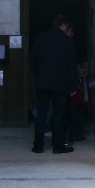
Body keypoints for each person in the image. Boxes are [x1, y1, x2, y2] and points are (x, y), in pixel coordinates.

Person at [30, 14, 78, 154]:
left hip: (43, 82)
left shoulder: (40, 39)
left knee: (41, 114)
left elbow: (32, 61)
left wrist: (40, 74)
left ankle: (38, 146)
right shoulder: (67, 41)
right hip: (61, 84)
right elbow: (72, 65)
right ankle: (58, 146)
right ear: (63, 25)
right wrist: (73, 86)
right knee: (59, 115)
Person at [68, 63, 95, 142]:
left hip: (81, 102)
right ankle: (74, 135)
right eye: (82, 70)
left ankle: (78, 134)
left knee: (80, 119)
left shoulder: (83, 79)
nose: (83, 72)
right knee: (74, 119)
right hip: (74, 102)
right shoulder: (74, 78)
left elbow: (88, 85)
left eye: (85, 71)